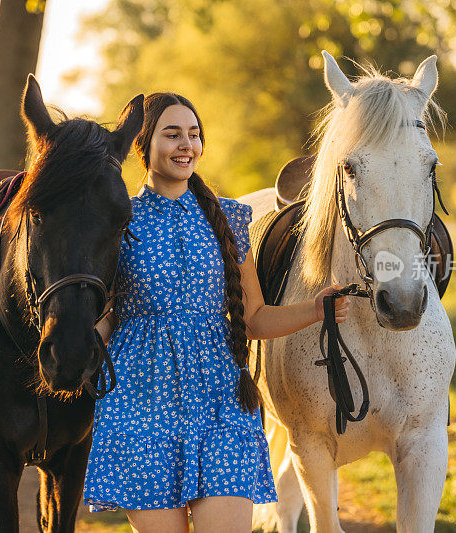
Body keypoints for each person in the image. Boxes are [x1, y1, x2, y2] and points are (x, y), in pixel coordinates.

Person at [84, 93, 350, 533]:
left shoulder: (227, 218)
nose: (186, 144)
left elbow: (256, 319)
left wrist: (316, 309)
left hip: (220, 401)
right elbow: (106, 317)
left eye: (194, 134)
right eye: (172, 134)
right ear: (144, 145)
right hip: (140, 404)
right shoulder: (119, 220)